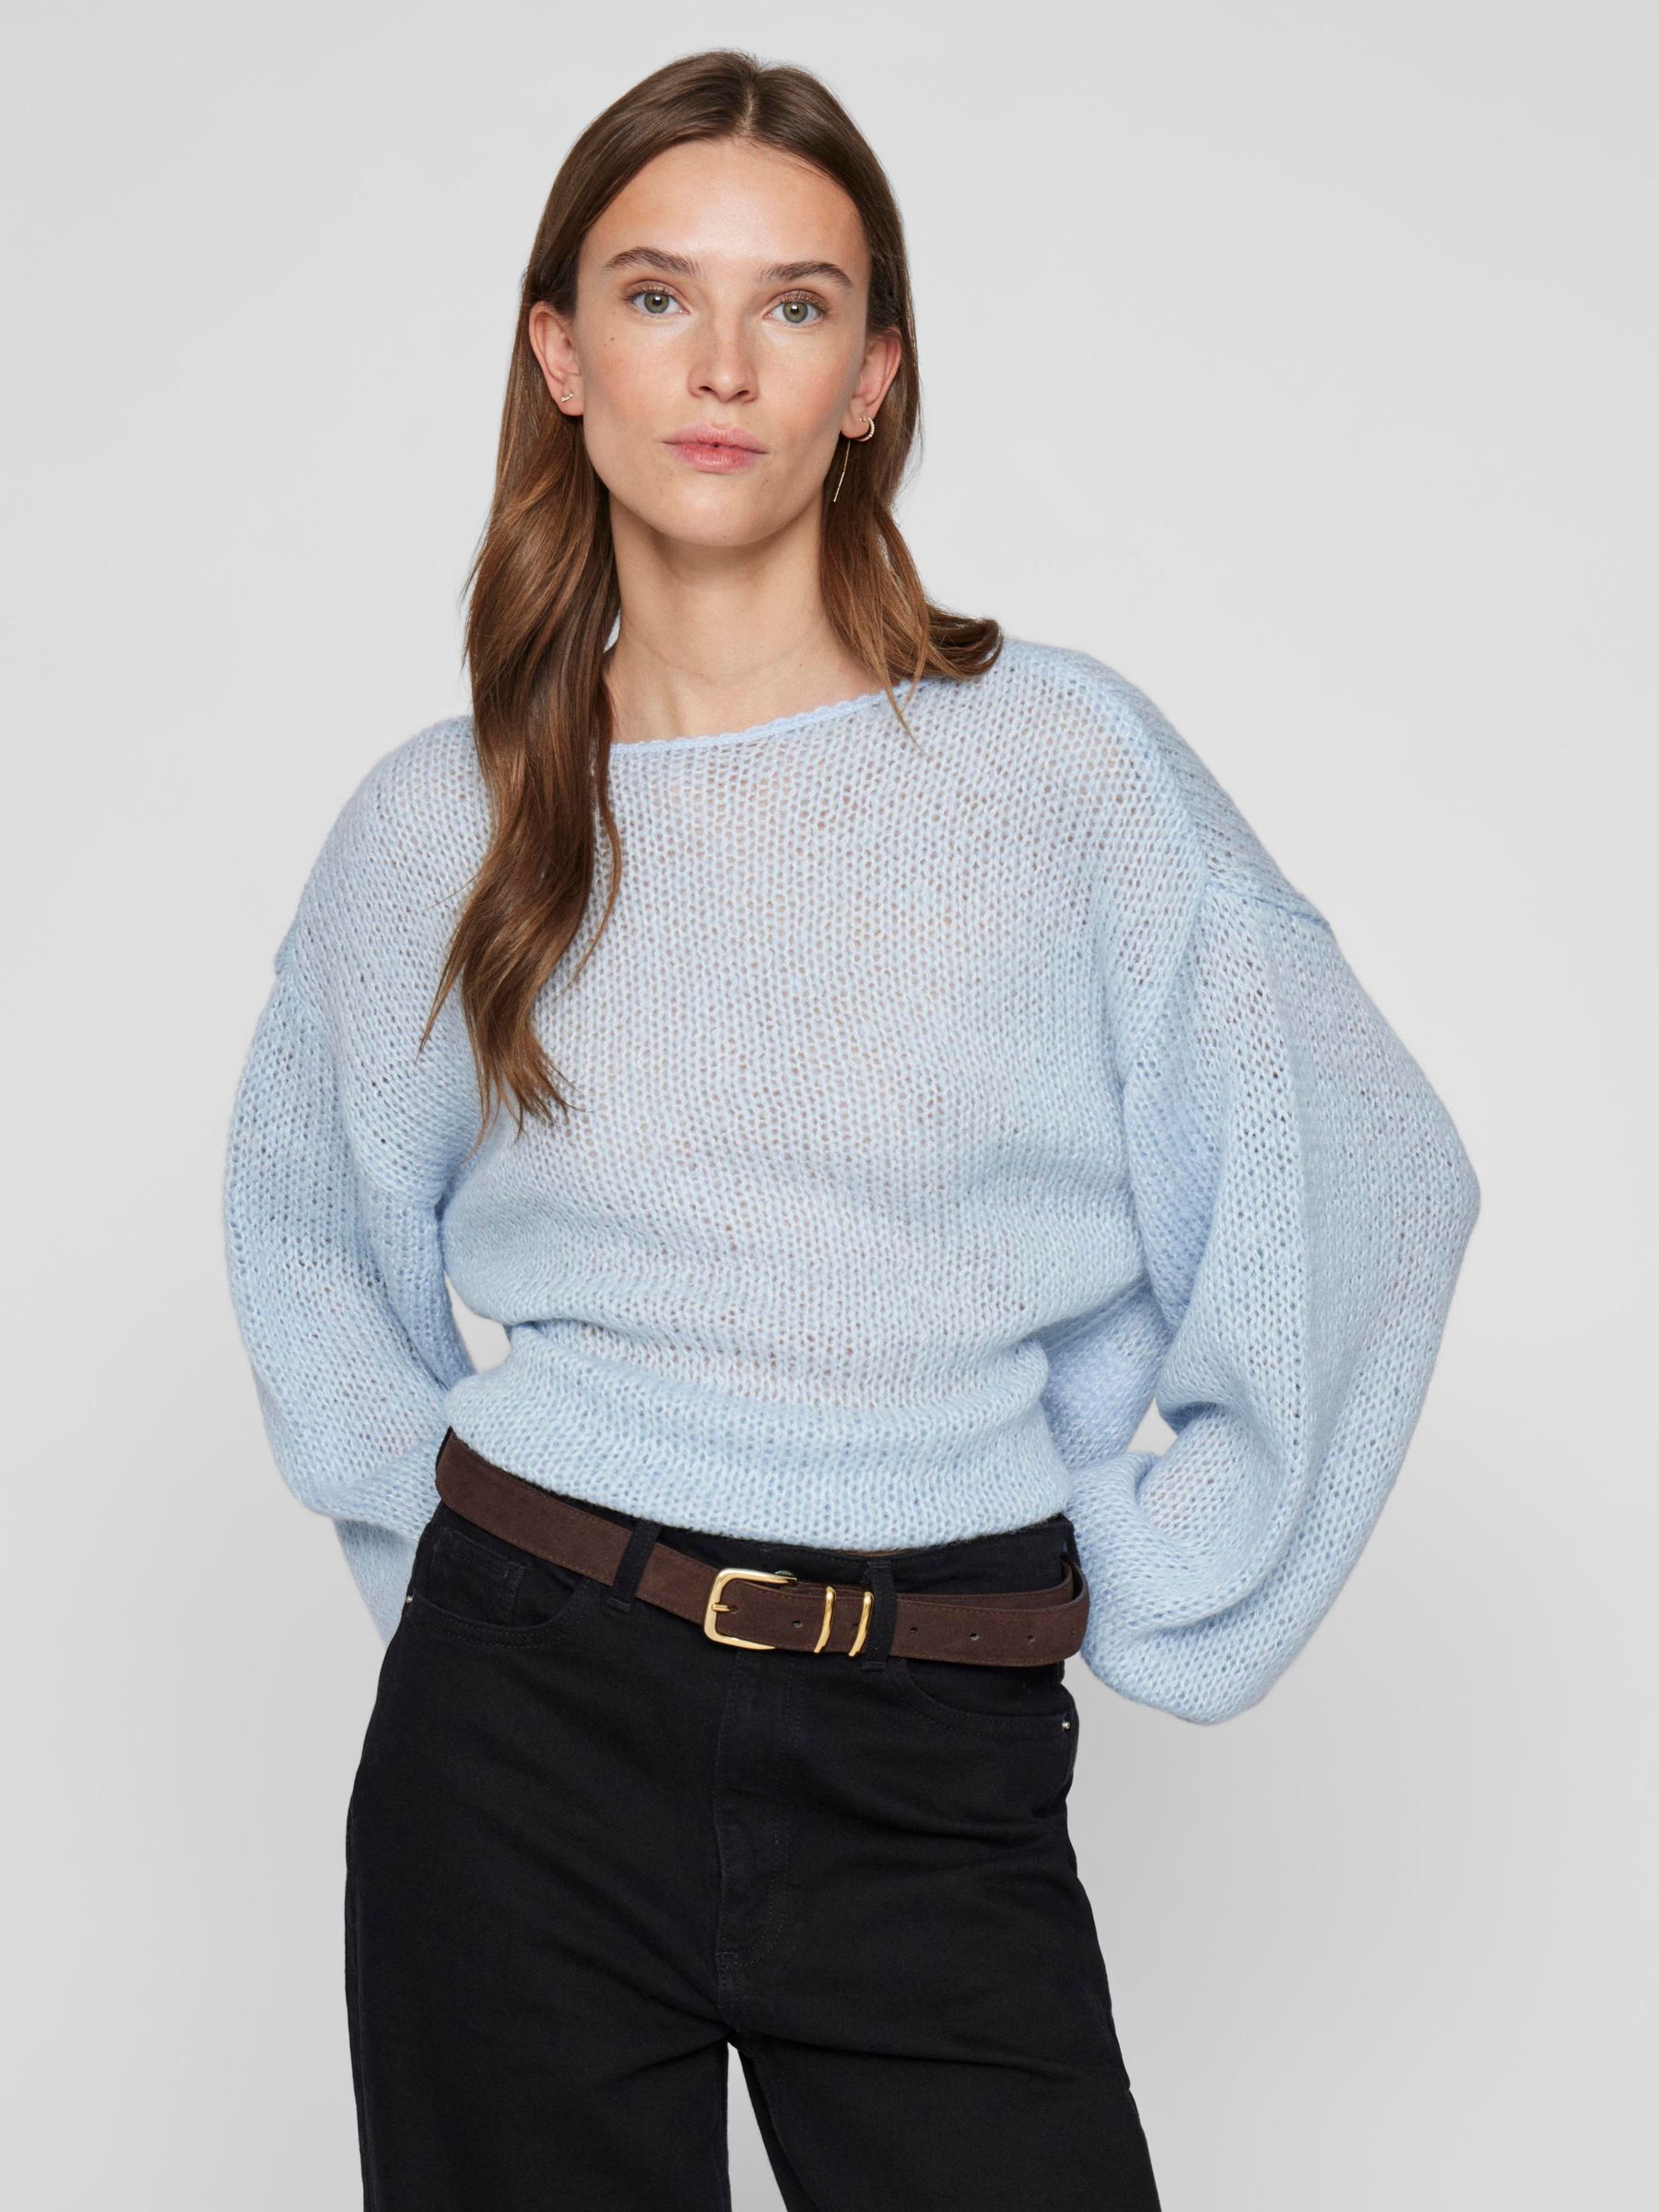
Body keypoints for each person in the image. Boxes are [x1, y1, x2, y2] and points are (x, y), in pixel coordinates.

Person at [220, 47, 1479, 2212]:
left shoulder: (1055, 767)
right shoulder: (446, 820)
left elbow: (1358, 1161)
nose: (721, 366)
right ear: (560, 356)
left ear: (873, 377)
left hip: (934, 1737)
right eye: (656, 296)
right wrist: (459, 1589)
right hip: (520, 1733)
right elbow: (308, 1231)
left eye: (793, 305)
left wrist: (1161, 1562)